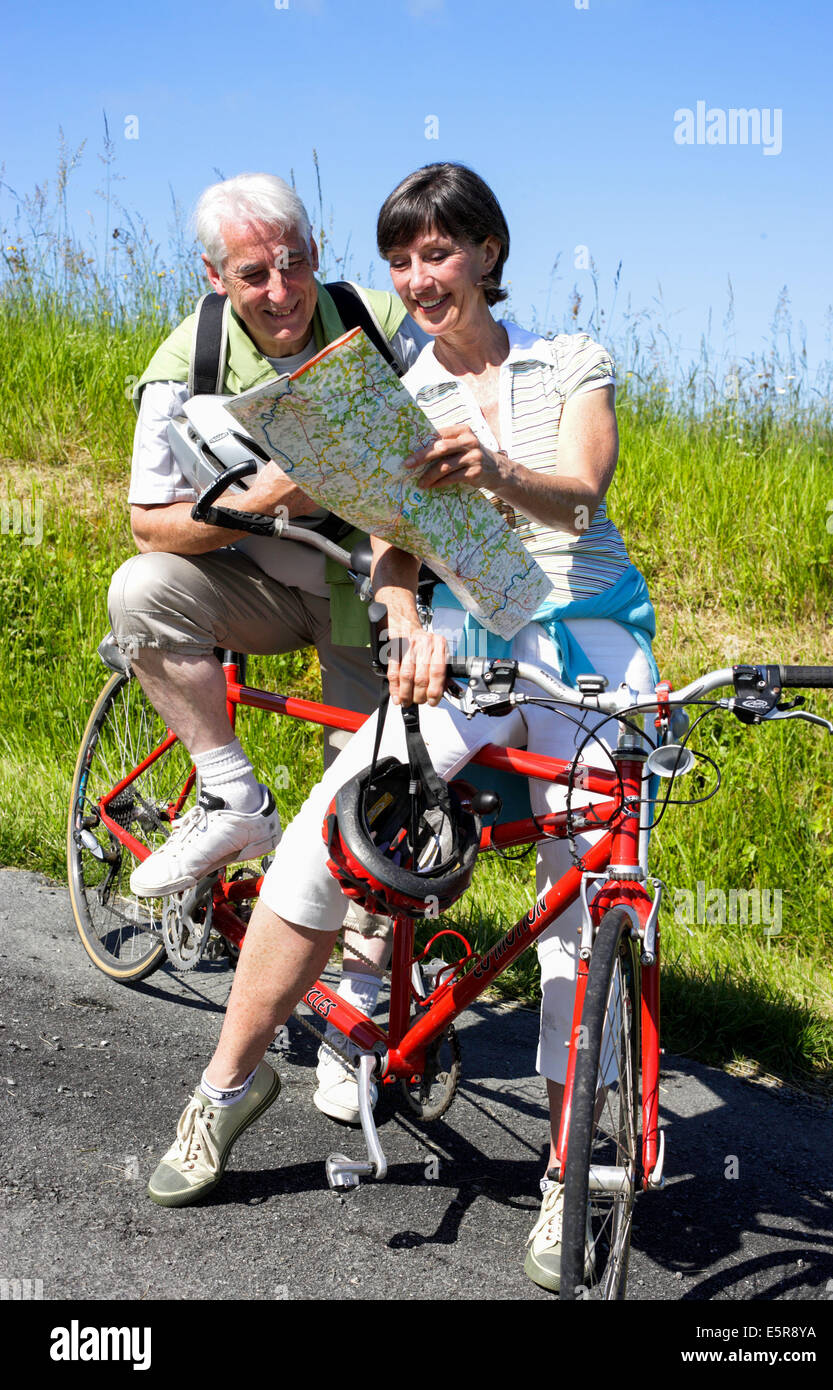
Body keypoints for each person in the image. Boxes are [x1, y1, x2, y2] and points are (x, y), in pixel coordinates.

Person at [144, 163, 657, 1296]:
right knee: (325, 833)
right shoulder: (403, 387)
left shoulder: (567, 359)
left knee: (589, 901)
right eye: (398, 262)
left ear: (483, 250)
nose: (418, 280)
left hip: (595, 656)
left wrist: (496, 471)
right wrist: (401, 615)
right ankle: (225, 1087)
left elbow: (579, 491)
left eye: (437, 252)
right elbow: (390, 544)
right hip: (469, 654)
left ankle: (571, 1175)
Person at [110, 173, 427, 1122]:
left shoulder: (379, 322)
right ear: (216, 278)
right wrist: (266, 500)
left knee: (377, 806)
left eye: (295, 262)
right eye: (255, 273)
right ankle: (229, 795)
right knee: (141, 593)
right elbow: (148, 524)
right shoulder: (185, 363)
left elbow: (443, 435)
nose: (282, 289)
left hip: (371, 587)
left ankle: (356, 1019)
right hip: (259, 577)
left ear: (318, 252)